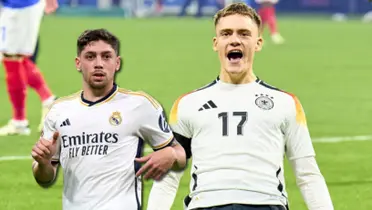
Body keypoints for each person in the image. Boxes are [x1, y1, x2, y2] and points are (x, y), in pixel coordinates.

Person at [147, 3, 333, 210]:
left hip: (266, 203)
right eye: (226, 34)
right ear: (216, 43)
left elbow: (308, 175)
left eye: (244, 34)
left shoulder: (286, 103)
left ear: (258, 43)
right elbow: (168, 178)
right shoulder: (187, 104)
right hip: (206, 204)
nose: (235, 39)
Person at [31, 29, 187, 210]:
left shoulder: (139, 105)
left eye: (106, 57)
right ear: (78, 63)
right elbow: (45, 177)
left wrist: (172, 154)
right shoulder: (59, 111)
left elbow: (180, 154)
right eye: (90, 57)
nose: (99, 64)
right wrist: (43, 163)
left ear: (117, 63)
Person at [0, 0, 59, 136]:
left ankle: (19, 122)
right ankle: (49, 101)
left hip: (20, 6)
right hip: (18, 6)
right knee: (16, 58)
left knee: (12, 59)